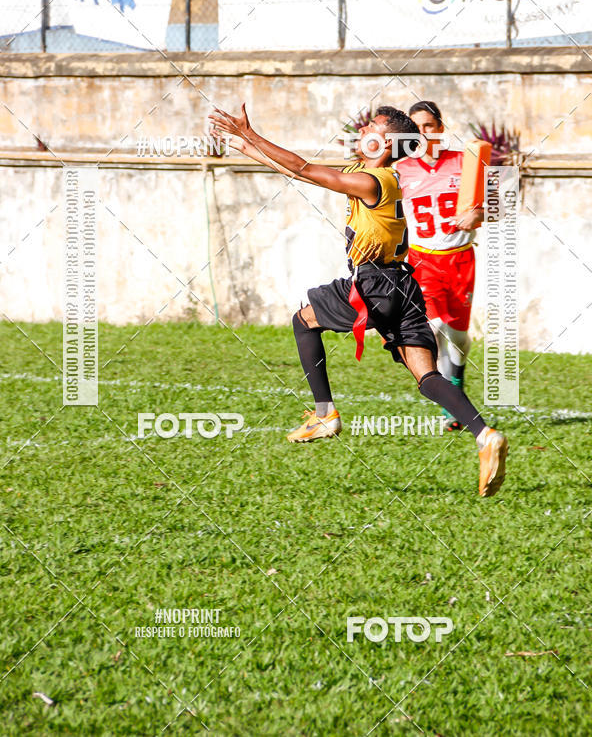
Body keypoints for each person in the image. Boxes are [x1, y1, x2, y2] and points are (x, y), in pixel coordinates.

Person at [208, 102, 507, 497]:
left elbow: (304, 168)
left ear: (385, 141)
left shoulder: (377, 181)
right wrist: (243, 147)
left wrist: (250, 134)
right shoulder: (363, 174)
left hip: (374, 285)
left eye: (373, 126)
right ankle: (485, 435)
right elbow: (298, 172)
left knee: (303, 320)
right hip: (405, 286)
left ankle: (324, 414)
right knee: (427, 376)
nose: (363, 127)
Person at [397, 100, 482, 431]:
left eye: (429, 125)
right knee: (431, 329)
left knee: (458, 336)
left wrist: (479, 213)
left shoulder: (466, 164)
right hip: (423, 260)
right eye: (415, 127)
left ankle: (456, 381)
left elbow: (497, 205)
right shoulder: (399, 171)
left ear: (441, 128)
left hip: (461, 259)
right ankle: (450, 401)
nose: (422, 132)